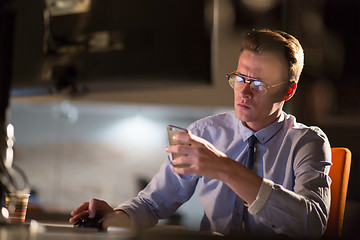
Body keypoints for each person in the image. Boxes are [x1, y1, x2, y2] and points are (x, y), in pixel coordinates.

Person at [69, 29, 332, 239]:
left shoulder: (308, 143)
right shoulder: (205, 132)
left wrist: (226, 169)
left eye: (259, 84)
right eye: (240, 78)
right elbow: (152, 204)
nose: (244, 92)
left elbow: (311, 225)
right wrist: (117, 216)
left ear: (288, 91)